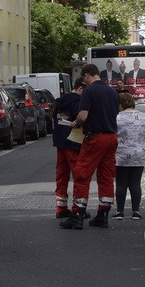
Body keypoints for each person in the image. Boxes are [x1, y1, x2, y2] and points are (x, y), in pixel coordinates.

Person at [60, 64, 119, 230]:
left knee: (82, 174)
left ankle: (77, 215)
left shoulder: (89, 91)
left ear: (86, 75)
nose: (83, 82)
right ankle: (103, 214)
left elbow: (83, 115)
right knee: (106, 176)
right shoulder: (112, 92)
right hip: (111, 137)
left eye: (83, 78)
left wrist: (75, 123)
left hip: (95, 138)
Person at [113, 92, 145, 221]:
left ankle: (120, 211)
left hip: (121, 155)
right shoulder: (143, 117)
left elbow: (112, 135)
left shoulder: (117, 118)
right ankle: (136, 211)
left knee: (121, 183)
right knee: (135, 183)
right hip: (139, 154)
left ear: (120, 104)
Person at [52, 78, 85, 218]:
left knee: (62, 174)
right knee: (78, 175)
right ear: (80, 89)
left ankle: (60, 207)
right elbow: (81, 119)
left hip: (60, 142)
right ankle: (77, 208)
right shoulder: (77, 102)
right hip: (73, 141)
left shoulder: (60, 101)